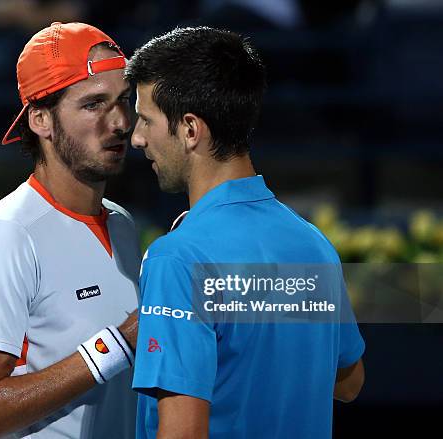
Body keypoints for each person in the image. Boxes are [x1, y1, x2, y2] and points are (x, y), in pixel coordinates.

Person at [125, 26, 365, 438]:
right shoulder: (315, 245)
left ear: (190, 129)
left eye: (146, 120)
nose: (137, 138)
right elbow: (349, 382)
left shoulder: (179, 259)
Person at [0, 22, 140, 439]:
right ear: (40, 120)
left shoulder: (123, 225)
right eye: (94, 105)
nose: (121, 122)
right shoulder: (4, 235)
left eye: (124, 100)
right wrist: (121, 343)